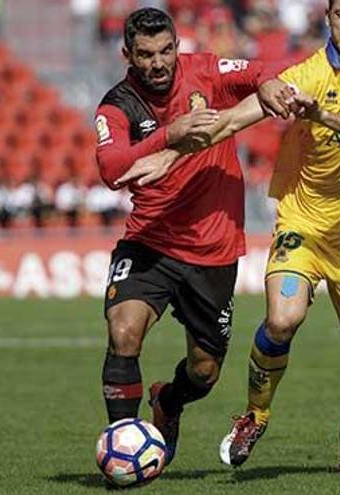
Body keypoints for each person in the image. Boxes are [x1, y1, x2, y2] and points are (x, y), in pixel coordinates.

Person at [220, 0, 340, 476]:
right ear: (327, 19)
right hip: (304, 225)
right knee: (282, 319)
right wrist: (185, 141)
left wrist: (320, 116)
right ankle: (254, 415)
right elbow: (241, 116)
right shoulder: (306, 74)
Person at [93, 7, 288, 466]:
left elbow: (263, 72)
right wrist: (168, 134)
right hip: (150, 242)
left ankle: (168, 402)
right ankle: (124, 449)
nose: (158, 63)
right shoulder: (117, 105)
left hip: (213, 250)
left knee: (204, 372)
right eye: (146, 55)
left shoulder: (205, 71)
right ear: (128, 55)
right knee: (123, 332)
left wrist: (270, 84)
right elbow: (111, 169)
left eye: (165, 51)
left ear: (176, 45)